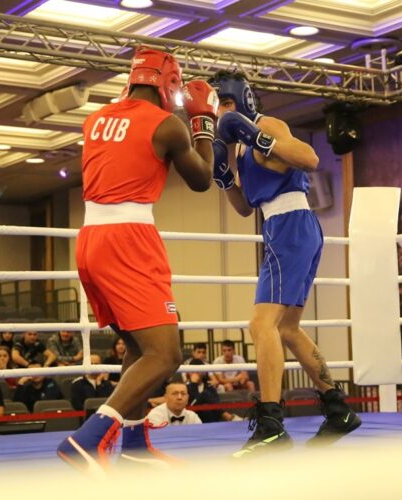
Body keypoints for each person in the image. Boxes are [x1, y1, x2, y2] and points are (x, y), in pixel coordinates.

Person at [56, 46, 215, 473]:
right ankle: (86, 440)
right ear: (169, 84)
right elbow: (202, 179)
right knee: (166, 355)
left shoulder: (96, 118)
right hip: (128, 239)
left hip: (91, 238)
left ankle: (133, 444)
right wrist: (204, 122)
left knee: (140, 346)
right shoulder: (167, 125)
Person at [208, 70, 360, 456]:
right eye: (218, 105)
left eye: (227, 102)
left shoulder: (266, 125)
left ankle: (272, 425)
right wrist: (223, 177)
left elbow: (309, 158)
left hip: (291, 225)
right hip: (281, 227)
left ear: (243, 100)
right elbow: (245, 208)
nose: (223, 111)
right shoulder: (239, 147)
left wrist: (253, 133)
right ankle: (338, 409)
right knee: (288, 328)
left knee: (261, 324)